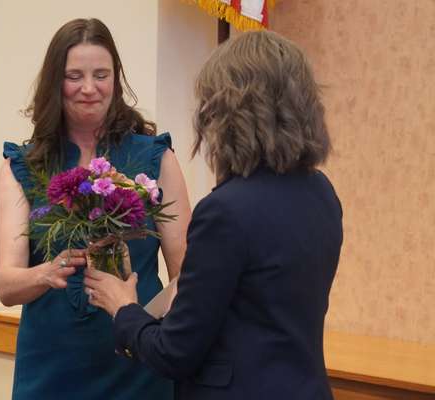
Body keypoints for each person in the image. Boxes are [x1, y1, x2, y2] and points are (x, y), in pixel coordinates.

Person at [83, 30, 343, 400]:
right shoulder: (322, 193)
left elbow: (173, 354)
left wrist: (124, 306)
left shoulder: (227, 211)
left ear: (228, 112)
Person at [0, 18, 192, 399]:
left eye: (101, 74)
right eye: (75, 76)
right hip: (50, 367)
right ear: (56, 81)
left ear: (116, 78)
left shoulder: (154, 158)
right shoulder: (22, 166)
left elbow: (191, 275)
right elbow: (6, 286)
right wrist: (47, 273)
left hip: (138, 366)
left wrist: (142, 321)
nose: (89, 88)